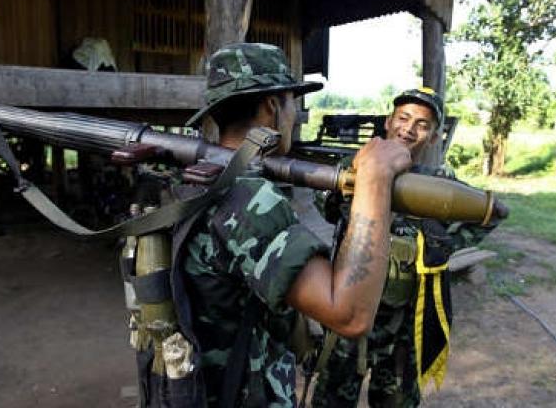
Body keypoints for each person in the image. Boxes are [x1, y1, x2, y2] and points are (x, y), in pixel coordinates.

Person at [134, 43, 411, 407]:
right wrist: (375, 181)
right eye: (292, 102)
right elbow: (349, 313)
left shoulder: (192, 179)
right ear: (272, 107)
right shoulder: (248, 200)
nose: (295, 114)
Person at [311, 88, 506, 407]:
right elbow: (328, 208)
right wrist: (365, 180)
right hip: (350, 317)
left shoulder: (441, 183)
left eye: (422, 124)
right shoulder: (354, 167)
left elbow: (491, 213)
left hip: (403, 327)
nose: (409, 128)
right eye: (402, 118)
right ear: (388, 122)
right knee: (331, 400)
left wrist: (446, 244)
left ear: (432, 137)